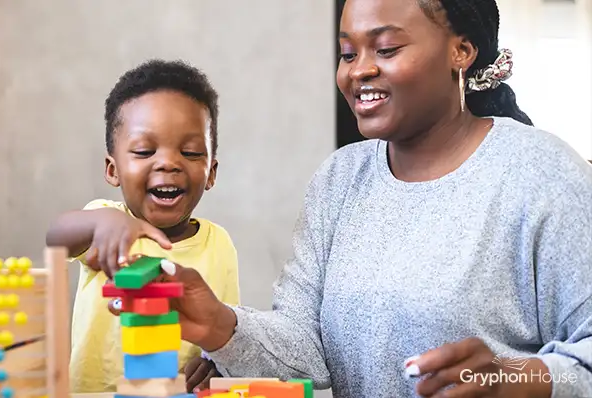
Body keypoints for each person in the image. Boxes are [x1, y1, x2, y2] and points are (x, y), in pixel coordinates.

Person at [95, 1, 592, 397]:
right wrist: (221, 325)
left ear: (461, 51)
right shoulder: (340, 180)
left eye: (388, 49)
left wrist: (510, 376)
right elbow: (305, 353)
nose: (359, 72)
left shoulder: (539, 172)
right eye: (348, 53)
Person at [45, 59, 241, 394]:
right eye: (144, 150)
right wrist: (99, 223)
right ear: (112, 169)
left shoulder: (219, 243)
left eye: (191, 153)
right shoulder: (103, 221)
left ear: (211, 172)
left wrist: (215, 364)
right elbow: (55, 237)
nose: (168, 162)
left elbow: (226, 330)